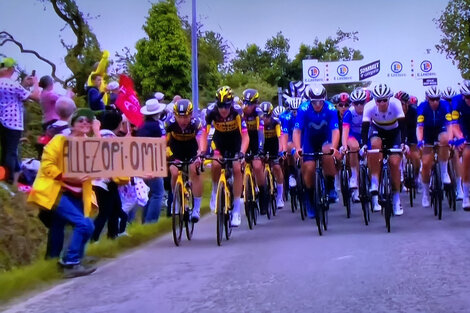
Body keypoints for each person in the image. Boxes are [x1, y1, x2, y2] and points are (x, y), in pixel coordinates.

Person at [28, 108, 100, 278]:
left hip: (79, 193)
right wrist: (66, 176)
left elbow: (105, 158)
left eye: (88, 121)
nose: (85, 123)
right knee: (83, 224)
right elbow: (46, 165)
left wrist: (97, 132)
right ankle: (71, 263)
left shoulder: (89, 143)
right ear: (73, 123)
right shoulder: (60, 140)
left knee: (86, 225)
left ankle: (72, 259)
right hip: (59, 191)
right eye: (81, 120)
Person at [200, 86, 249, 227]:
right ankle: (215, 191)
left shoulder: (237, 111)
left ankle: (236, 211)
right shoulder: (211, 112)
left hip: (235, 141)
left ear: (231, 104)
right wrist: (203, 151)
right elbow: (204, 133)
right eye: (220, 106)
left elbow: (245, 135)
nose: (223, 110)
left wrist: (242, 152)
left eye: (226, 106)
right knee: (215, 164)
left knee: (236, 167)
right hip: (219, 141)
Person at [293, 84, 340, 218]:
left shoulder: (330, 108)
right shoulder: (303, 108)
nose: (318, 104)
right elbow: (297, 131)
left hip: (326, 138)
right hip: (309, 140)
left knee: (327, 152)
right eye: (315, 102)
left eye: (321, 101)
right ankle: (309, 198)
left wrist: (334, 148)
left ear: (324, 99)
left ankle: (330, 186)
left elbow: (335, 130)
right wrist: (297, 148)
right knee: (309, 168)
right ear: (310, 100)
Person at [361, 83, 406, 215]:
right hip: (377, 130)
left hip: (394, 132)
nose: (381, 103)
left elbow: (403, 127)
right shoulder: (369, 107)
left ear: (389, 99)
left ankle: (397, 199)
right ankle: (375, 181)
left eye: (384, 100)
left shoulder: (396, 104)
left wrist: (403, 143)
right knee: (374, 146)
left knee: (394, 163)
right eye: (378, 100)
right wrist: (364, 145)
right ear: (374, 100)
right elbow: (365, 129)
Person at [0, 57, 40, 185]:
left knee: (5, 150)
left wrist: (23, 83)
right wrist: (35, 83)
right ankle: (10, 179)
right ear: (11, 69)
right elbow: (35, 97)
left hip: (2, 120)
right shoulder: (12, 84)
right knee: (11, 151)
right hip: (13, 122)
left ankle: (3, 175)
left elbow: (17, 95)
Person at [92, 110, 129, 241]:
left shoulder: (100, 136)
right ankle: (93, 238)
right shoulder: (110, 138)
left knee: (115, 209)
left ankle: (113, 235)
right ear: (117, 124)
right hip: (106, 182)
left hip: (101, 181)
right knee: (105, 212)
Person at [166, 99, 203, 221]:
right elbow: (162, 141)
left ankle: (196, 208)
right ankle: (175, 200)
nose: (183, 120)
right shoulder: (169, 123)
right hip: (176, 149)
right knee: (174, 172)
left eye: (186, 117)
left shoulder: (195, 123)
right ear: (175, 115)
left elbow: (200, 140)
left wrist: (200, 153)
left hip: (192, 149)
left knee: (194, 170)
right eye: (179, 117)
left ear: (191, 115)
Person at [416, 86, 453, 208]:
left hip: (440, 128)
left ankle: (444, 171)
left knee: (445, 138)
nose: (435, 102)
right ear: (427, 99)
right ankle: (426, 193)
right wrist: (420, 141)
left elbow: (450, 125)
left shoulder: (445, 106)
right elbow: (420, 127)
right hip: (427, 132)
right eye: (432, 99)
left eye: (437, 99)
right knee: (426, 164)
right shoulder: (422, 107)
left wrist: (451, 139)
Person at [136, 98, 166, 223]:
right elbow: (161, 144)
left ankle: (144, 221)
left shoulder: (141, 127)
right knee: (158, 193)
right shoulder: (157, 126)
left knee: (148, 193)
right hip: (153, 162)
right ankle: (151, 221)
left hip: (141, 162)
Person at [241, 88, 268, 213]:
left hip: (256, 140)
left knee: (257, 166)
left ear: (256, 103)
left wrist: (260, 149)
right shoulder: (240, 112)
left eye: (251, 103)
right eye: (246, 103)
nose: (248, 106)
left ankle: (263, 193)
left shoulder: (258, 113)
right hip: (243, 139)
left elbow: (260, 131)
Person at [341, 88, 367, 202]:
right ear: (353, 104)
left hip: (366, 135)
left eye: (362, 103)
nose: (359, 106)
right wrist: (344, 146)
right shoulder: (349, 113)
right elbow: (345, 131)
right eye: (356, 103)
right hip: (353, 135)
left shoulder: (370, 110)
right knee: (353, 147)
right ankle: (354, 178)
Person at [259, 101, 284, 208]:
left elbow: (280, 138)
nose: (265, 119)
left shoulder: (276, 123)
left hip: (274, 145)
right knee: (259, 167)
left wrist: (281, 151)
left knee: (277, 167)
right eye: (263, 116)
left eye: (267, 116)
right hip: (263, 145)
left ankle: (280, 197)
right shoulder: (258, 123)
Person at [395, 91, 420, 191]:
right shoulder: (394, 112)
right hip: (399, 133)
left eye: (401, 104)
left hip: (412, 133)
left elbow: (417, 128)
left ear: (407, 104)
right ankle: (401, 178)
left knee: (416, 158)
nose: (399, 106)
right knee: (399, 156)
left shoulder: (414, 112)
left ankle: (416, 177)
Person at [451, 80, 470, 210]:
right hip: (463, 128)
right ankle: (466, 196)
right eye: (468, 97)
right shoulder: (457, 102)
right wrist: (460, 139)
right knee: (466, 156)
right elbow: (454, 124)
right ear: (463, 96)